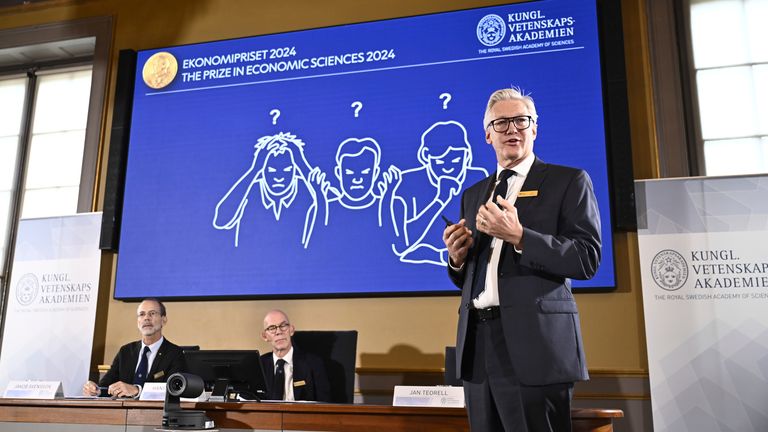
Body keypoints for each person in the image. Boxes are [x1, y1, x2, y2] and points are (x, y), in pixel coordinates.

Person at [442, 87, 601, 431]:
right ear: (487, 135)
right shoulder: (474, 194)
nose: (512, 129)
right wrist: (457, 258)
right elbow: (475, 275)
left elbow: (587, 258)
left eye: (521, 121)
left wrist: (520, 236)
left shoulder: (568, 181)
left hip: (535, 349)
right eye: (502, 123)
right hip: (478, 346)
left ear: (535, 129)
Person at [390, 120, 487, 265]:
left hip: (469, 273)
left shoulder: (478, 178)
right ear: (426, 158)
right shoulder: (407, 183)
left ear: (467, 157)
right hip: (411, 276)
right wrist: (440, 200)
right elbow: (402, 245)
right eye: (440, 162)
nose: (448, 168)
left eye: (455, 160)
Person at [213, 132, 332, 249]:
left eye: (286, 170)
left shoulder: (309, 191)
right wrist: (254, 170)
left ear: (296, 170)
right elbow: (221, 220)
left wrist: (302, 164)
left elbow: (324, 232)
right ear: (262, 170)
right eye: (271, 170)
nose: (279, 177)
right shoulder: (248, 190)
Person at [82, 298, 186, 398]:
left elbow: (173, 390)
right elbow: (107, 385)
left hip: (156, 413)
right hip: (122, 412)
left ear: (163, 320)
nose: (146, 318)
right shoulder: (125, 352)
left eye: (152, 313)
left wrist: (137, 390)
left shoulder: (175, 353)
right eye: (142, 314)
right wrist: (96, 390)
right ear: (138, 322)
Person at [260, 309, 330, 402]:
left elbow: (324, 404)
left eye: (283, 325)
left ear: (291, 330)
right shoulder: (259, 366)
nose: (279, 332)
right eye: (272, 328)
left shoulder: (313, 363)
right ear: (265, 336)